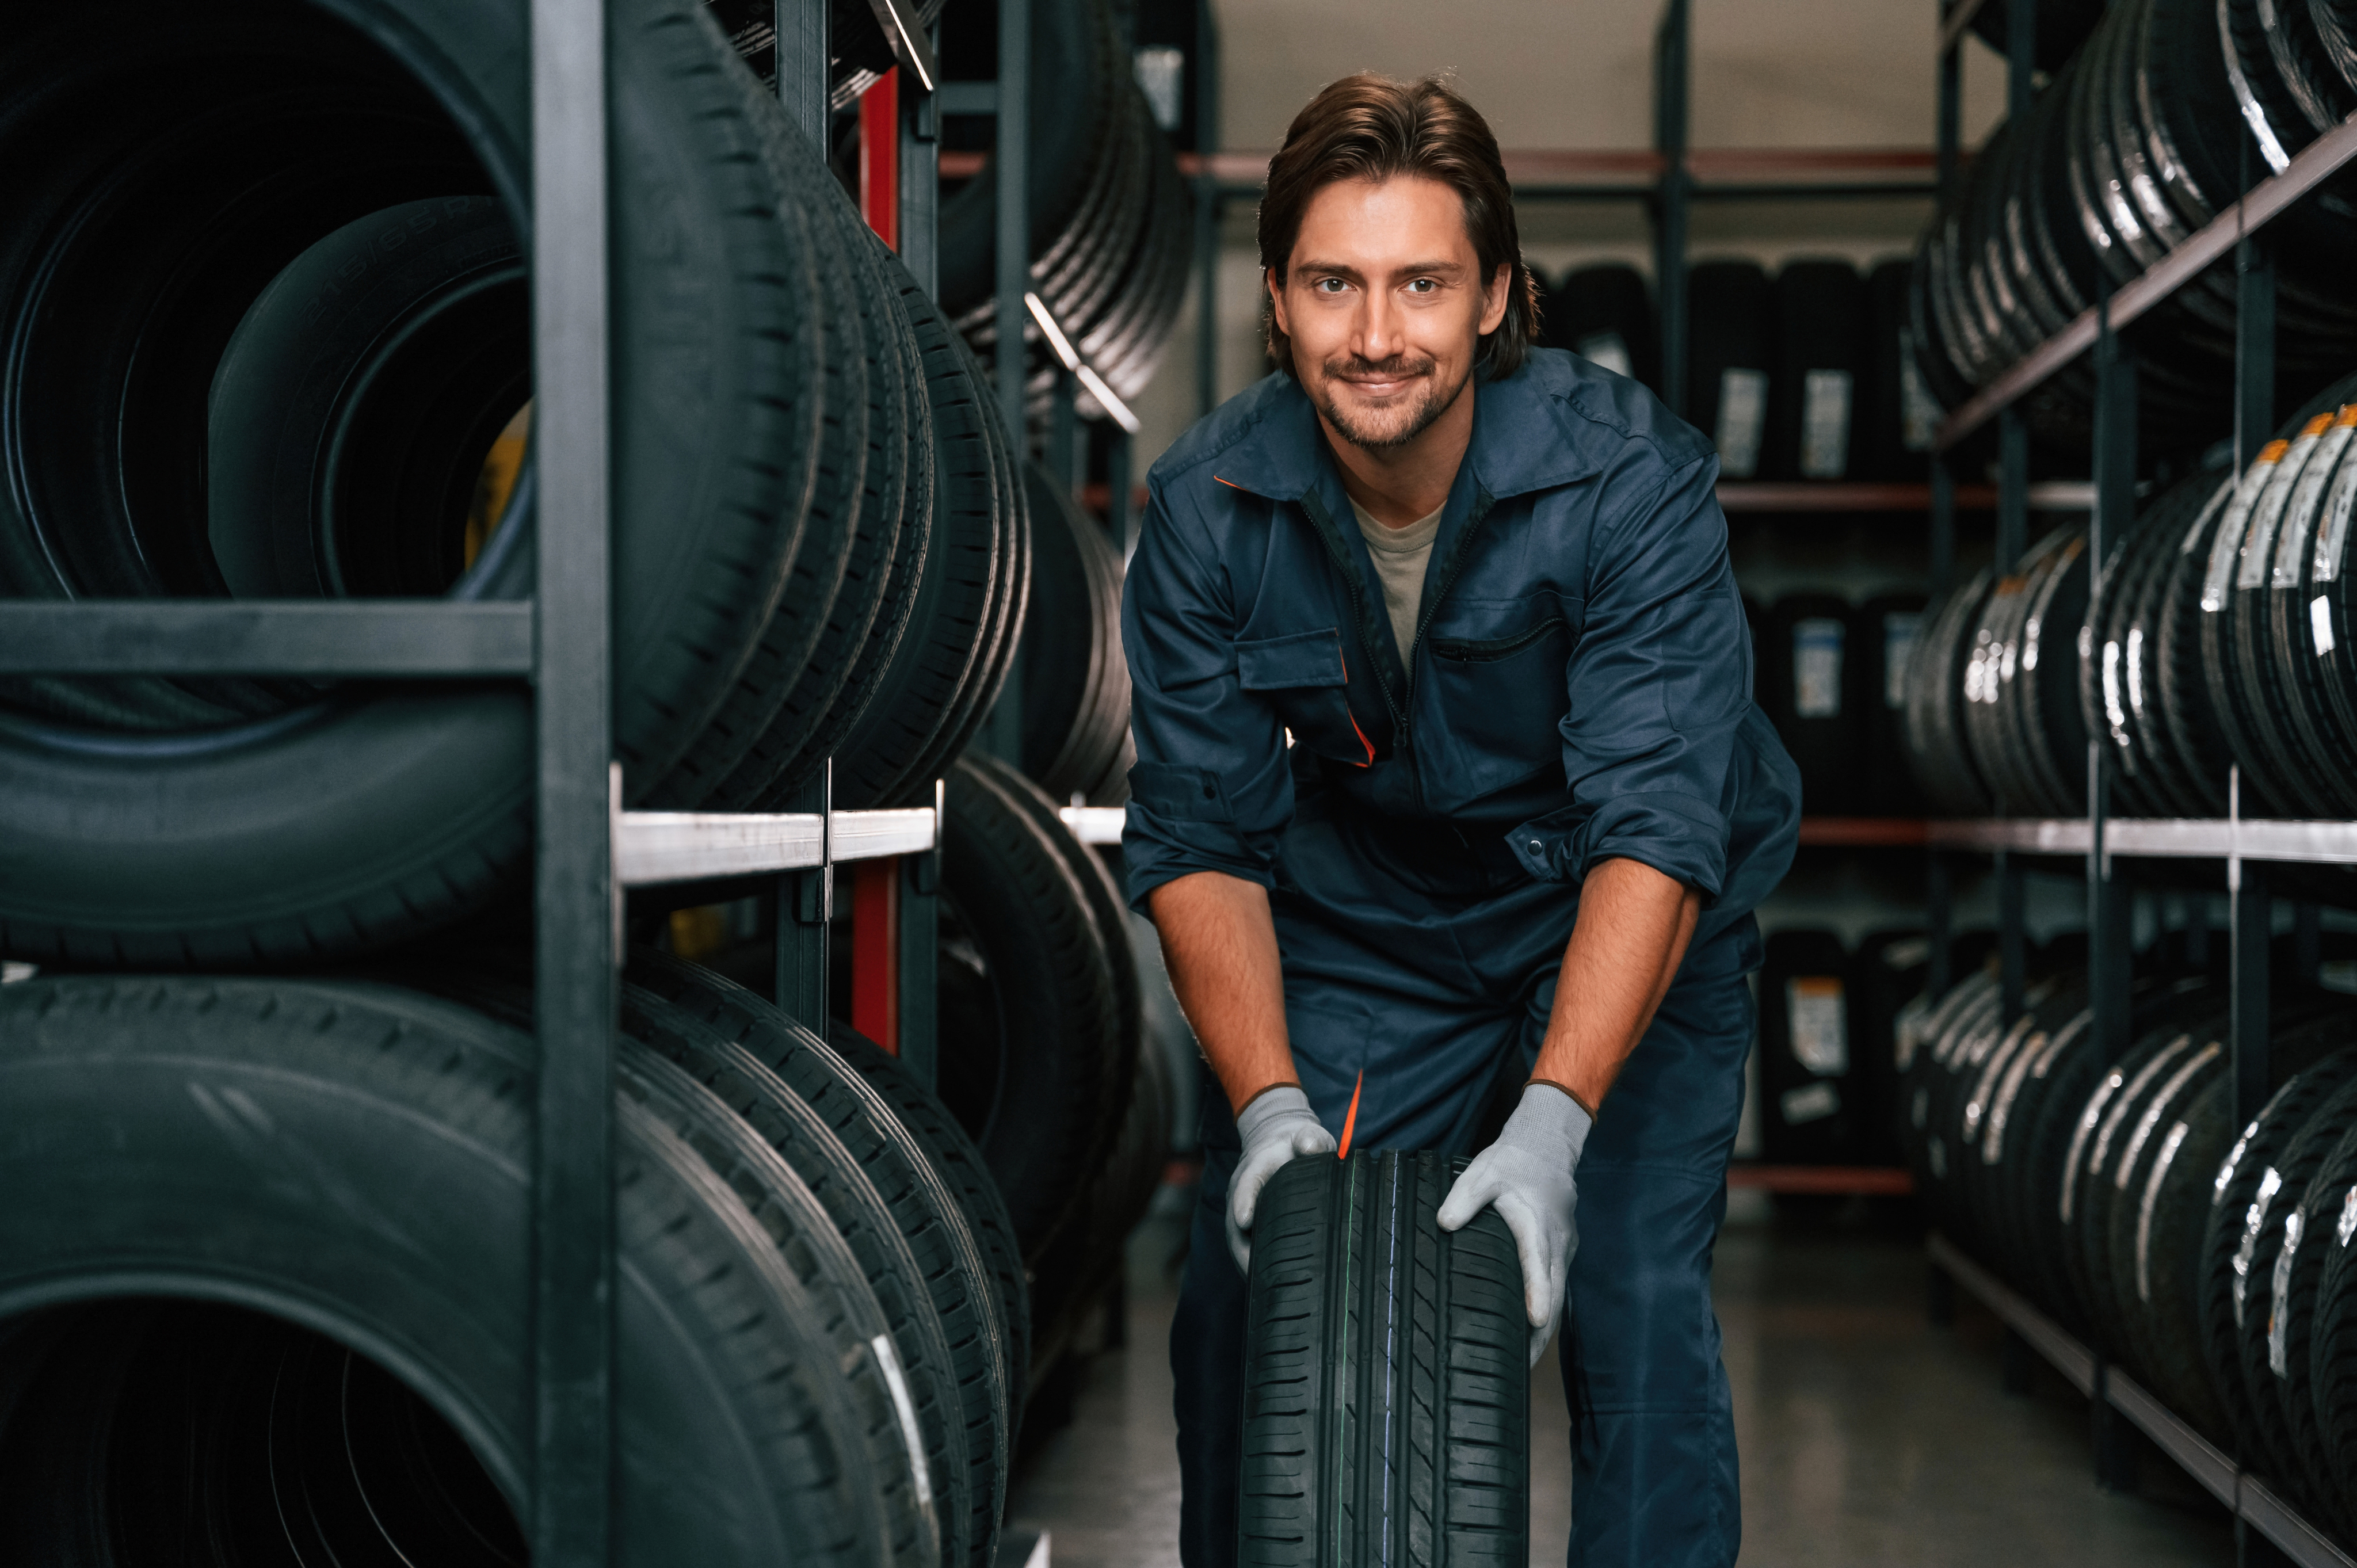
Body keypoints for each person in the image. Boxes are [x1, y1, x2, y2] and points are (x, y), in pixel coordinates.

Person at [1120, 73, 1801, 1568]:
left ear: (1496, 297)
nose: (1376, 335)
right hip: (1385, 925)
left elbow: (1658, 823)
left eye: (1422, 283)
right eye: (1333, 284)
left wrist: (1555, 1127)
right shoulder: (1209, 507)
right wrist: (1267, 1106)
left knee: (1630, 1300)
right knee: (1249, 1293)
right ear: (1277, 299)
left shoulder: (1629, 482)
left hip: (1626, 917)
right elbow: (1202, 840)